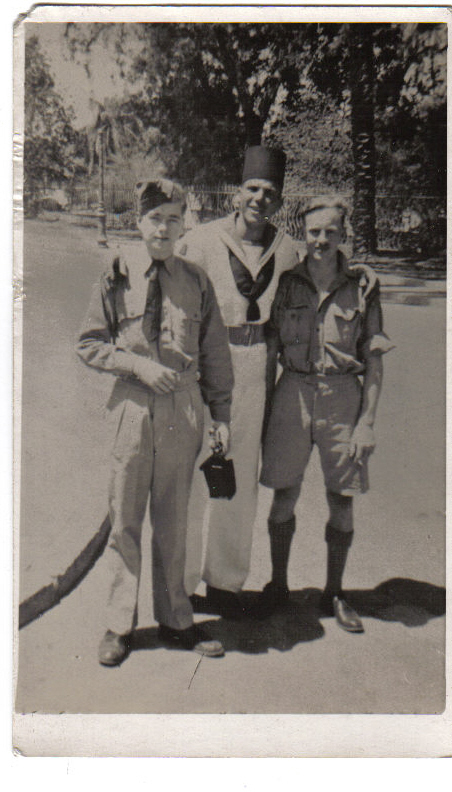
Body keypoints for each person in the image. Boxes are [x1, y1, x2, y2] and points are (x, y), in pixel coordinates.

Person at [76, 178, 234, 664]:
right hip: (132, 405)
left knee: (173, 520)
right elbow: (89, 343)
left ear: (184, 224)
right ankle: (118, 625)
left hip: (182, 410)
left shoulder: (197, 280)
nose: (163, 229)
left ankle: (176, 620)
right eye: (154, 219)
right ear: (138, 222)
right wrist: (137, 365)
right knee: (125, 518)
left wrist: (221, 415)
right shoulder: (116, 273)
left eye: (172, 219)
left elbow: (215, 352)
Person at [258, 196, 394, 632]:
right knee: (284, 493)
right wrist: (265, 411)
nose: (321, 240)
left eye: (330, 231)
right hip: (293, 392)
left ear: (343, 234)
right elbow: (271, 349)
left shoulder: (362, 286)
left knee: (341, 498)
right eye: (314, 231)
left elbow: (374, 359)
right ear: (303, 233)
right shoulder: (286, 282)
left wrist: (366, 422)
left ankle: (335, 592)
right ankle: (278, 585)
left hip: (341, 397)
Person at [178, 146, 302, 618]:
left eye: (270, 192)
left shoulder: (287, 250)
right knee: (195, 473)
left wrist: (363, 273)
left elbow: (322, 277)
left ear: (279, 200)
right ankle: (180, 583)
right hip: (209, 360)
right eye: (252, 188)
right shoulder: (202, 240)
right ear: (237, 193)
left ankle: (225, 583)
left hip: (256, 365)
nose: (259, 199)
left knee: (239, 476)